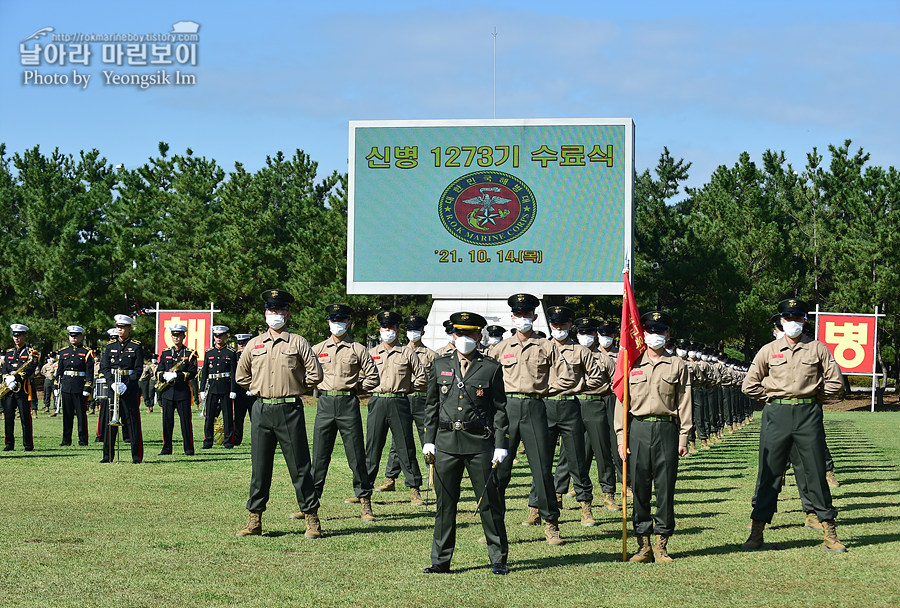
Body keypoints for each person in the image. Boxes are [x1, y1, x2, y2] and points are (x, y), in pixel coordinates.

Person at [742, 298, 846, 553]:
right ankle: (757, 533)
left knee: (815, 471)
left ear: (804, 321)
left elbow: (836, 382)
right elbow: (749, 384)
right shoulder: (768, 350)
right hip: (776, 414)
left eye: (798, 318)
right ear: (781, 320)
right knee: (769, 473)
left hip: (808, 414)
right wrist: (771, 398)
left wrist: (814, 398)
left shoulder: (818, 349)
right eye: (788, 318)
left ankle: (829, 532)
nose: (793, 323)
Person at [422, 312, 510, 575]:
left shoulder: (491, 367)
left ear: (479, 335)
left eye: (470, 334)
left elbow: (500, 410)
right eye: (460, 334)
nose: (464, 339)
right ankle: (441, 560)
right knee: (445, 505)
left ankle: (498, 558)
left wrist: (500, 443)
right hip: (447, 443)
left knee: (488, 503)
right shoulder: (439, 365)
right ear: (453, 335)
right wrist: (429, 441)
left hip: (479, 444)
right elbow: (431, 406)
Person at [235, 289, 323, 538]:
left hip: (289, 409)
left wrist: (296, 387)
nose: (275, 314)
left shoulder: (298, 342)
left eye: (280, 310)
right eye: (271, 310)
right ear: (265, 313)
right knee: (260, 467)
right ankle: (254, 519)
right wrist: (257, 387)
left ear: (287, 313)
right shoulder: (254, 344)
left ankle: (311, 518)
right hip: (261, 409)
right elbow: (241, 376)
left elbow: (315, 374)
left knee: (300, 467)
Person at [491, 293, 574, 546]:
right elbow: (487, 378)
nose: (523, 319)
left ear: (535, 317)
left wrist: (546, 390)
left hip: (536, 408)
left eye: (527, 315)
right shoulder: (501, 348)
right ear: (512, 317)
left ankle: (551, 524)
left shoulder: (547, 346)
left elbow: (567, 377)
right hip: (506, 410)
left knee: (541, 470)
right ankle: (494, 526)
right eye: (519, 314)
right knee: (499, 469)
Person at [615, 311, 692, 563]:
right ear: (642, 334)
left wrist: (683, 437)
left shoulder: (678, 365)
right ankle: (643, 543)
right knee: (638, 488)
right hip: (638, 429)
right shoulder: (631, 363)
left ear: (667, 334)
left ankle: (661, 543)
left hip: (666, 429)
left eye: (661, 331)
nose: (655, 336)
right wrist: (620, 437)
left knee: (665, 487)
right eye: (651, 331)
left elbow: (685, 402)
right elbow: (621, 403)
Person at [310, 304, 380, 521]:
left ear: (348, 323)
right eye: (333, 320)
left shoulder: (358, 349)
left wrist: (356, 387)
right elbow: (308, 374)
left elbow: (373, 377)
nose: (337, 324)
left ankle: (365, 502)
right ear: (328, 322)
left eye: (341, 320)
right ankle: (310, 505)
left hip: (348, 403)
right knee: (319, 456)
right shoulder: (317, 348)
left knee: (357, 455)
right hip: (325, 404)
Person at [542, 306, 604, 526]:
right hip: (546, 406)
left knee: (577, 459)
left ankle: (585, 506)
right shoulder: (541, 347)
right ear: (550, 325)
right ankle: (537, 506)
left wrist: (578, 386)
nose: (559, 328)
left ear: (570, 326)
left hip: (570, 406)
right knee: (542, 461)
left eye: (563, 325)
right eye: (555, 325)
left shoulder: (580, 351)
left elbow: (597, 378)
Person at [367, 311, 426, 504]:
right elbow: (361, 377)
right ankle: (364, 490)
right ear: (380, 330)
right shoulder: (372, 353)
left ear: (398, 330)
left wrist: (407, 388)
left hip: (400, 401)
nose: (388, 331)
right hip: (377, 401)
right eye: (385, 328)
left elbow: (422, 377)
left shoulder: (407, 352)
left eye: (391, 328)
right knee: (372, 448)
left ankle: (414, 488)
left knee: (405, 446)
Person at [379, 314, 436, 492]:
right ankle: (390, 478)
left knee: (427, 439)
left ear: (423, 331)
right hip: (402, 400)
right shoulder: (400, 351)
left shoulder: (431, 355)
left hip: (421, 400)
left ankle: (433, 477)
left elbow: (432, 381)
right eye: (410, 330)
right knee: (398, 441)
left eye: (416, 330)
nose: (413, 333)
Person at [100, 315, 144, 463]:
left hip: (128, 387)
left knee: (132, 421)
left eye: (123, 327)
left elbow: (138, 370)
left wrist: (127, 383)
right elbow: (105, 367)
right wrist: (111, 382)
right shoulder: (110, 346)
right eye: (118, 327)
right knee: (110, 422)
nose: (120, 329)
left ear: (129, 328)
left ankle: (136, 456)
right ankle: (107, 456)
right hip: (113, 386)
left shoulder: (136, 346)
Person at [156, 323, 198, 456]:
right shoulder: (166, 352)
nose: (176, 338)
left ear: (183, 336)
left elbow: (192, 373)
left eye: (178, 335)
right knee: (167, 422)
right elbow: (158, 370)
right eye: (174, 335)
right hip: (167, 392)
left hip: (182, 392)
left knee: (185, 422)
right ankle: (166, 448)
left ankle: (189, 448)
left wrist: (176, 375)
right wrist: (163, 375)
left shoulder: (190, 353)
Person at [2, 324, 40, 452]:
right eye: (14, 335)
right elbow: (4, 369)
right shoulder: (8, 353)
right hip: (9, 390)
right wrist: (7, 377)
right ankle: (9, 444)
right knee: (8, 417)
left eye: (19, 335)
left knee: (25, 417)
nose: (16, 338)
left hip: (23, 389)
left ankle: (28, 445)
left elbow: (31, 368)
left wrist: (17, 378)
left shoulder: (31, 352)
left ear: (24, 336)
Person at [54, 325, 94, 446]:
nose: (73, 338)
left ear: (81, 337)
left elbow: (89, 371)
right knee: (67, 414)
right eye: (71, 336)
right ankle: (66, 439)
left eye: (76, 336)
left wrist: (88, 386)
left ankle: (83, 439)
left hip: (80, 386)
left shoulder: (87, 352)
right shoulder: (63, 351)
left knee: (81, 415)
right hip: (66, 385)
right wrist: (56, 385)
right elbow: (59, 371)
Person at [200, 325, 238, 449]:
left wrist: (233, 389)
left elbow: (234, 373)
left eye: (221, 335)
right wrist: (201, 390)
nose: (218, 338)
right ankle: (208, 441)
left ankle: (228, 441)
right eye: (216, 336)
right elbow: (204, 372)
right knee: (209, 416)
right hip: (212, 387)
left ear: (225, 336)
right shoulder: (209, 352)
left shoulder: (231, 353)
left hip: (226, 387)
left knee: (227, 416)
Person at [232, 333, 255, 446]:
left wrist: (253, 387)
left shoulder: (254, 355)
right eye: (239, 343)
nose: (241, 345)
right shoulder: (235, 356)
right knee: (238, 418)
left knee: (254, 418)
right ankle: (237, 439)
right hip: (239, 392)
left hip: (252, 391)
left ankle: (257, 439)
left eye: (244, 343)